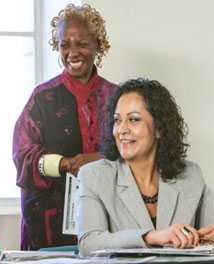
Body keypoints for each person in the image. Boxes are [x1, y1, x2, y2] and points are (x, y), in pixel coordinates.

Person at [13, 3, 117, 250]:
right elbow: (23, 157)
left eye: (82, 44)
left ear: (98, 46)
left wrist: (100, 160)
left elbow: (135, 155)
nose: (72, 52)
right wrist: (64, 164)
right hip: (50, 223)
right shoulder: (42, 97)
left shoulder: (116, 97)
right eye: (64, 45)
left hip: (108, 218)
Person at [77, 78, 214, 256]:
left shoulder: (190, 174)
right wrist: (151, 237)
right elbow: (88, 244)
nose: (121, 130)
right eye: (117, 120)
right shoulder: (93, 175)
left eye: (133, 120)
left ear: (159, 129)